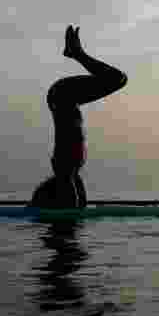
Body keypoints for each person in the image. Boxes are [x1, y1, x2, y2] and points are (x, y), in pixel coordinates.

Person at [30, 26, 128, 208]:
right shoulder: (70, 172)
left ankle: (76, 53)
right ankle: (76, 52)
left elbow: (73, 204)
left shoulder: (64, 168)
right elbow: (79, 203)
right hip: (63, 98)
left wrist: (71, 216)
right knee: (118, 79)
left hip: (62, 96)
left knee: (118, 78)